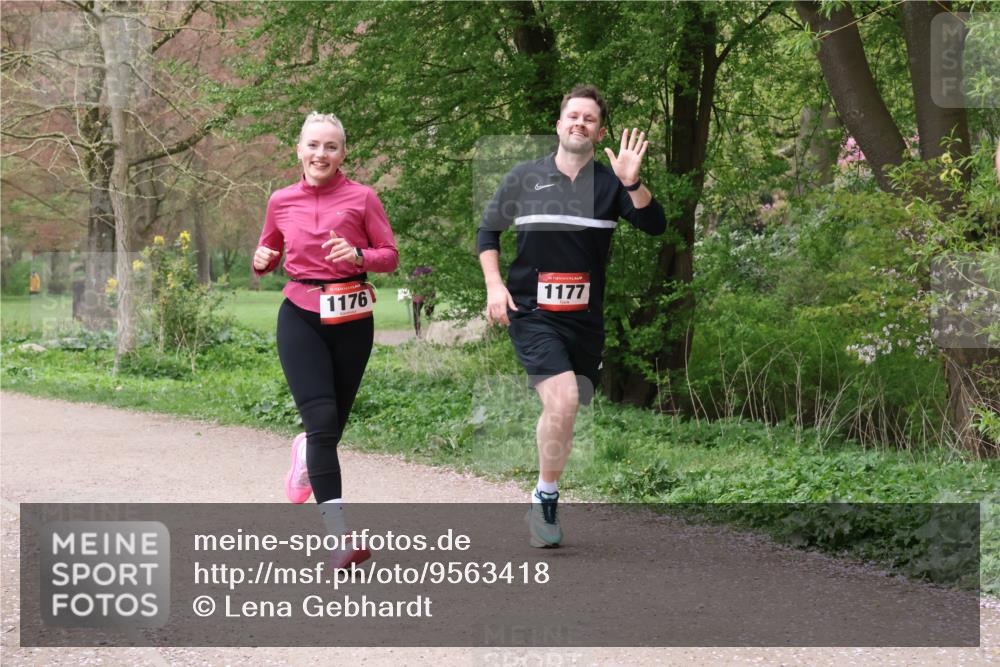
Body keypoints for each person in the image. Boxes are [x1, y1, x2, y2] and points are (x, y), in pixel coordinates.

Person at [477, 85, 667, 547]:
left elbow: (655, 225)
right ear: (559, 125)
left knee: (564, 406)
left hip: (584, 320)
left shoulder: (609, 184)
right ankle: (546, 498)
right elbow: (488, 231)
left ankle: (544, 489)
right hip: (532, 311)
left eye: (589, 119)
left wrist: (633, 183)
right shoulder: (524, 177)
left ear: (599, 132)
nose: (579, 123)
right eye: (572, 116)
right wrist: (494, 285)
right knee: (563, 400)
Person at [253, 111, 399, 567]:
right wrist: (260, 260)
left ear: (343, 154)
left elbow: (390, 256)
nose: (321, 154)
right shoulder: (280, 200)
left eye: (331, 147)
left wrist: (358, 255)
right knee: (320, 423)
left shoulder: (362, 198)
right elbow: (268, 253)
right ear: (299, 150)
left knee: (330, 429)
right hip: (300, 314)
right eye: (313, 145)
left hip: (352, 317)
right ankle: (340, 538)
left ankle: (303, 454)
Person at [409, 265, 434, 337]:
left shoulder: (430, 268)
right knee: (417, 314)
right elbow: (411, 281)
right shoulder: (414, 269)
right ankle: (418, 332)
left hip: (428, 295)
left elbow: (433, 281)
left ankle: (430, 330)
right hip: (418, 296)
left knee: (428, 313)